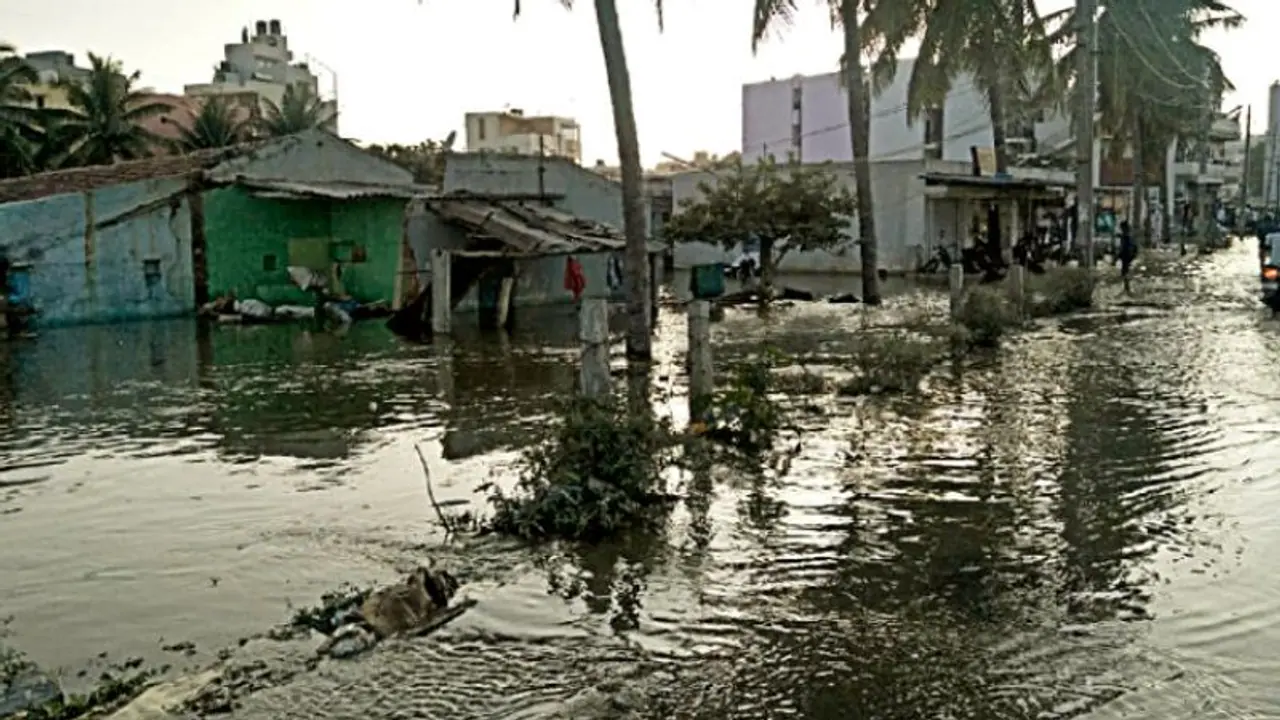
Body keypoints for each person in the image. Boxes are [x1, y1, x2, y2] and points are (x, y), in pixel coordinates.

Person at [1118, 220, 1138, 294]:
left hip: (1127, 256)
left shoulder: (1127, 237)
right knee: (1125, 272)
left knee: (1125, 272)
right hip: (1127, 257)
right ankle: (1127, 288)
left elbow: (1126, 247)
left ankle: (1127, 289)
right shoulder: (1127, 236)